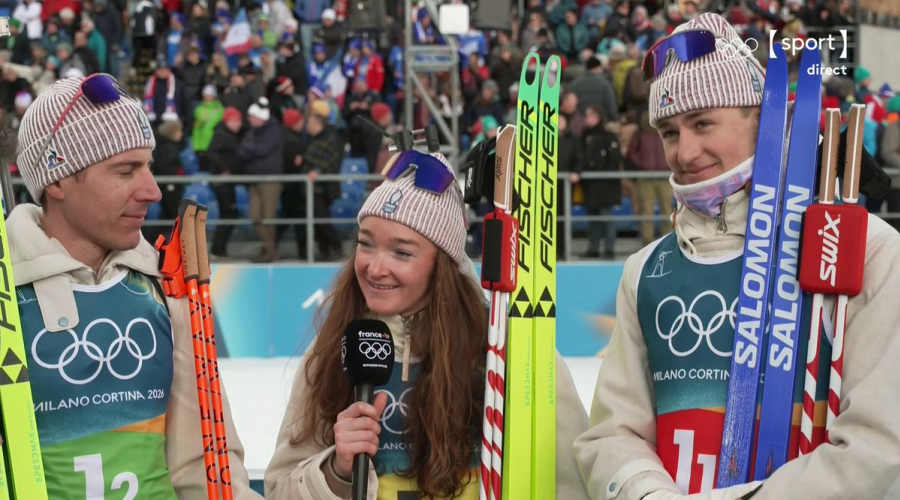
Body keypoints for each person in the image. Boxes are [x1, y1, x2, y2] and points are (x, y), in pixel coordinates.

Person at [575, 13, 900, 500]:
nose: (685, 152)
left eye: (703, 123)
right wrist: (644, 492)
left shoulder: (862, 248)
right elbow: (612, 434)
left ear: (761, 118)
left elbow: (877, 443)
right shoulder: (645, 271)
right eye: (668, 132)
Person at [264, 151, 591, 499]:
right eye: (365, 244)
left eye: (401, 253)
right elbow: (280, 488)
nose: (375, 268)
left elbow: (571, 481)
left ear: (443, 266)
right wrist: (335, 471)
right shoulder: (334, 349)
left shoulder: (505, 348)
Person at [10, 74, 260, 499]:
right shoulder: (8, 292)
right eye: (125, 171)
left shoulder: (166, 289)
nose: (152, 190)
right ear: (57, 180)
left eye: (148, 166)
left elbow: (207, 466)